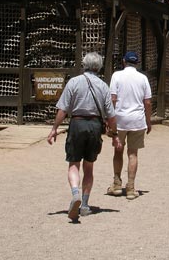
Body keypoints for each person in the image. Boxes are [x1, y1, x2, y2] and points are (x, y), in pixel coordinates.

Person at [47, 52, 121, 220]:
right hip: (95, 126)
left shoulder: (73, 82)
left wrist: (54, 128)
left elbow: (63, 109)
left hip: (77, 124)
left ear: (84, 65)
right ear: (99, 67)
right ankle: (85, 205)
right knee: (89, 166)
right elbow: (111, 116)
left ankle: (75, 193)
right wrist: (115, 135)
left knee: (74, 163)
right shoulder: (103, 86)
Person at [107, 51, 152, 200]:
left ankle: (117, 184)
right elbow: (148, 102)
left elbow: (112, 99)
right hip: (137, 120)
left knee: (118, 151)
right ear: (137, 63)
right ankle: (131, 188)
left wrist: (109, 120)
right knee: (133, 154)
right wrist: (148, 121)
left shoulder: (116, 76)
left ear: (124, 61)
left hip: (119, 120)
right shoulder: (143, 78)